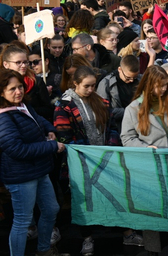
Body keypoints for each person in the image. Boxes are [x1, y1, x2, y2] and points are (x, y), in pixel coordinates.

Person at [53, 66, 144, 254]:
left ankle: (127, 233)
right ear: (75, 84)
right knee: (83, 201)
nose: (91, 90)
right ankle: (87, 239)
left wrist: (107, 149)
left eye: (93, 85)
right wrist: (87, 155)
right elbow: (64, 136)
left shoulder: (101, 102)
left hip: (104, 160)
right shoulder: (64, 106)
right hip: (79, 163)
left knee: (115, 197)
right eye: (86, 86)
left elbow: (111, 127)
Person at [120, 65, 168, 256]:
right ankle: (153, 250)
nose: (163, 89)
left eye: (165, 85)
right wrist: (145, 148)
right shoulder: (133, 108)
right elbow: (127, 138)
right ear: (148, 84)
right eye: (159, 85)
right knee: (153, 207)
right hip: (150, 165)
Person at [0, 69, 65, 256]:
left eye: (20, 86)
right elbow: (16, 149)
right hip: (21, 176)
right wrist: (52, 146)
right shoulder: (4, 117)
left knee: (51, 209)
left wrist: (50, 129)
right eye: (12, 88)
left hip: (38, 170)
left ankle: (43, 250)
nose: (18, 91)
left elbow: (37, 120)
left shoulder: (22, 106)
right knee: (22, 221)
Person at [2, 45, 54, 122]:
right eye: (18, 62)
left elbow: (48, 110)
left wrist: (27, 110)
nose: (23, 65)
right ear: (6, 64)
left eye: (25, 62)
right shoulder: (2, 83)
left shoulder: (36, 81)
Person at [97, 55, 140, 134]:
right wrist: (127, 112)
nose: (131, 80)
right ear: (119, 69)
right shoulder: (106, 83)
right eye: (128, 78)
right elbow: (103, 111)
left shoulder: (140, 80)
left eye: (134, 77)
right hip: (117, 128)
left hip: (138, 126)